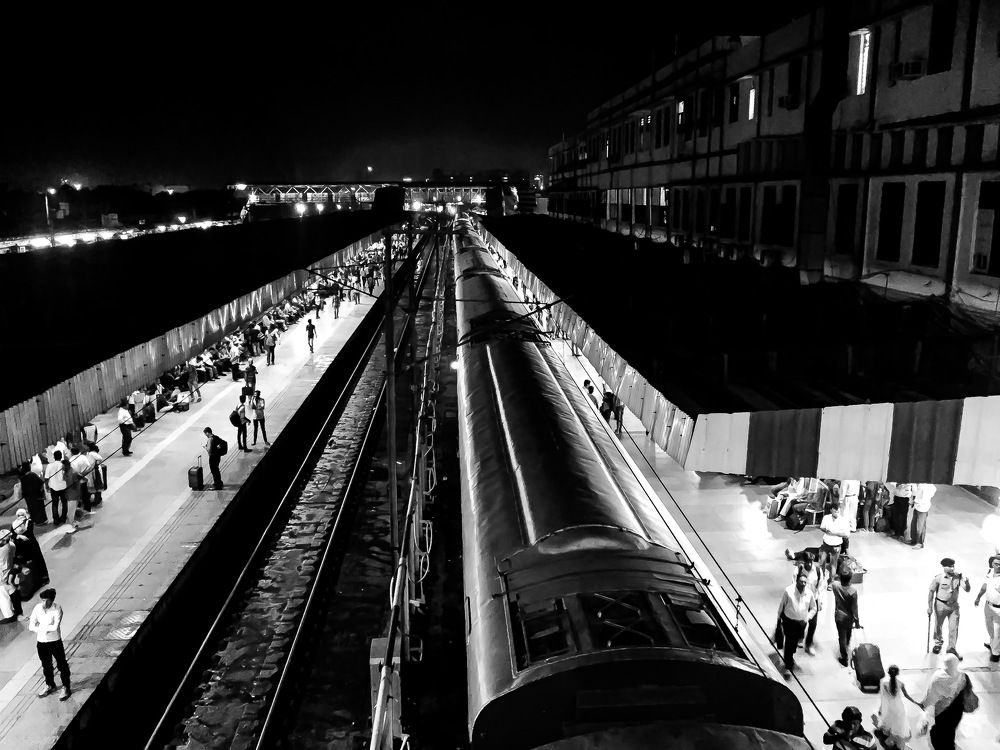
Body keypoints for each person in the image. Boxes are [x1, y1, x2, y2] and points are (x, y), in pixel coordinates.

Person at [921, 653, 973, 750]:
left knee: (940, 731)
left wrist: (924, 704)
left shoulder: (937, 678)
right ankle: (949, 745)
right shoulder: (963, 677)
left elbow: (931, 695)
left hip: (942, 711)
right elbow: (968, 692)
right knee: (951, 730)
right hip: (957, 710)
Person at [29, 588, 71, 701]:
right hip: (41, 642)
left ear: (52, 600)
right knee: (46, 665)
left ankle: (66, 686)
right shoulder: (37, 608)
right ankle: (50, 685)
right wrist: (45, 628)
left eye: (46, 600)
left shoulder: (57, 609)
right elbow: (31, 626)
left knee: (62, 664)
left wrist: (40, 627)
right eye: (42, 600)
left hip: (55, 641)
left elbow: (55, 627)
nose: (43, 603)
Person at [929, 557, 971, 658]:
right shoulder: (938, 578)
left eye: (953, 566)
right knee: (938, 625)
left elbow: (967, 589)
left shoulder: (958, 577)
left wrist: (967, 582)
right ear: (943, 567)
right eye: (949, 567)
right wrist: (929, 607)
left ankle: (952, 648)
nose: (952, 569)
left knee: (954, 628)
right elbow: (931, 592)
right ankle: (938, 643)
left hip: (954, 606)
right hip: (940, 605)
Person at [777, 571, 817, 671]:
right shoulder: (788, 591)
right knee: (789, 641)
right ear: (796, 581)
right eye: (801, 581)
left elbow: (813, 608)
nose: (803, 584)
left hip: (801, 623)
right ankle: (788, 663)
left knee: (795, 643)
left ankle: (790, 656)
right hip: (789, 621)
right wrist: (778, 618)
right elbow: (782, 605)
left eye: (805, 582)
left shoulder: (809, 593)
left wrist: (807, 618)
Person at [873, 665, 918, 749]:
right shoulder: (900, 683)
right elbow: (906, 695)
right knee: (898, 726)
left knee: (888, 725)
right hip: (899, 708)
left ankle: (889, 741)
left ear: (888, 673)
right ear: (897, 673)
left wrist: (880, 709)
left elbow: (883, 699)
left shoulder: (884, 683)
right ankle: (896, 742)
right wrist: (916, 702)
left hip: (889, 708)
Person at [13, 510, 49, 595]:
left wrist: (20, 536)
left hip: (32, 547)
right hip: (23, 550)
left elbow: (28, 532)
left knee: (38, 563)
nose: (20, 516)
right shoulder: (15, 524)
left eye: (22, 515)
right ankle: (34, 583)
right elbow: (13, 534)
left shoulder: (28, 522)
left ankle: (43, 579)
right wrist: (19, 536)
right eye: (19, 515)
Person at [973, 554, 1000, 662]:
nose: (998, 566)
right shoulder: (989, 572)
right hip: (988, 606)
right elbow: (985, 586)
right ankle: (993, 645)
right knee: (990, 628)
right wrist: (978, 597)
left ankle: (996, 654)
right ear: (992, 564)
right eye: (996, 564)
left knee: (997, 631)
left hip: (999, 609)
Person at [832, 571, 860, 666]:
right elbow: (854, 608)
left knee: (841, 637)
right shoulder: (852, 591)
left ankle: (844, 658)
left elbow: (834, 581)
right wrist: (857, 622)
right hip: (849, 618)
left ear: (840, 578)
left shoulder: (835, 586)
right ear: (850, 578)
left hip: (839, 616)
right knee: (848, 633)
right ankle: (847, 645)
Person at [820, 503, 851, 589]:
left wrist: (835, 533)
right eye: (835, 510)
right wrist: (826, 530)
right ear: (831, 510)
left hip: (836, 545)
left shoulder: (843, 520)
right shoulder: (826, 518)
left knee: (833, 564)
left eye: (838, 511)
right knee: (822, 561)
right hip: (826, 543)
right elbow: (822, 527)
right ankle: (821, 578)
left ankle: (831, 581)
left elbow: (847, 534)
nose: (837, 512)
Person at [798, 556, 824, 655]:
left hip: (814, 600)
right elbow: (794, 584)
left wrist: (820, 601)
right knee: (802, 621)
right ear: (803, 561)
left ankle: (809, 644)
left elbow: (821, 585)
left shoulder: (818, 571)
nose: (809, 564)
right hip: (803, 600)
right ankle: (800, 637)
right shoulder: (799, 570)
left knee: (813, 624)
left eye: (810, 562)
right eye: (806, 562)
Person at [0, 530, 22, 619]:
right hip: (9, 572)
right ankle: (16, 611)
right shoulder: (12, 546)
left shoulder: (2, 550)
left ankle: (10, 615)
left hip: (2, 574)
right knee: (10, 590)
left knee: (3, 596)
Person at [44, 451, 69, 525]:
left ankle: (56, 520)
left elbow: (46, 478)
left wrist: (47, 486)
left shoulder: (49, 466)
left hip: (53, 487)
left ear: (54, 457)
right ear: (61, 457)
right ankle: (63, 518)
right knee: (64, 503)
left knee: (55, 504)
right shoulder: (63, 465)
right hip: (63, 487)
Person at [910, 483, 935, 549]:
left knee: (920, 526)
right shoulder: (919, 484)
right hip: (917, 506)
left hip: (923, 507)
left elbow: (926, 497)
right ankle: (914, 540)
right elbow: (915, 493)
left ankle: (920, 543)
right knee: (914, 524)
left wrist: (915, 501)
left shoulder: (928, 486)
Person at [86, 442, 105, 507]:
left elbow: (100, 458)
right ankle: (97, 499)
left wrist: (95, 464)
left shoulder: (92, 453)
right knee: (94, 486)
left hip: (94, 472)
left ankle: (97, 499)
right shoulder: (90, 454)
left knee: (95, 485)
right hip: (92, 471)